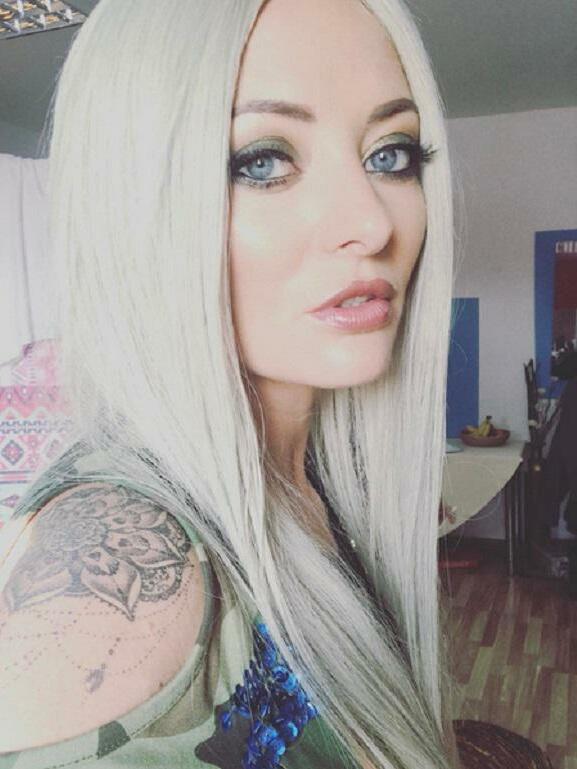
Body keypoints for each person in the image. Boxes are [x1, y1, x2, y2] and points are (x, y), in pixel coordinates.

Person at [0, 0, 460, 767]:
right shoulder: (115, 591)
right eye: (263, 161)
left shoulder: (318, 478)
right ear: (135, 206)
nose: (372, 222)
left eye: (389, 154)